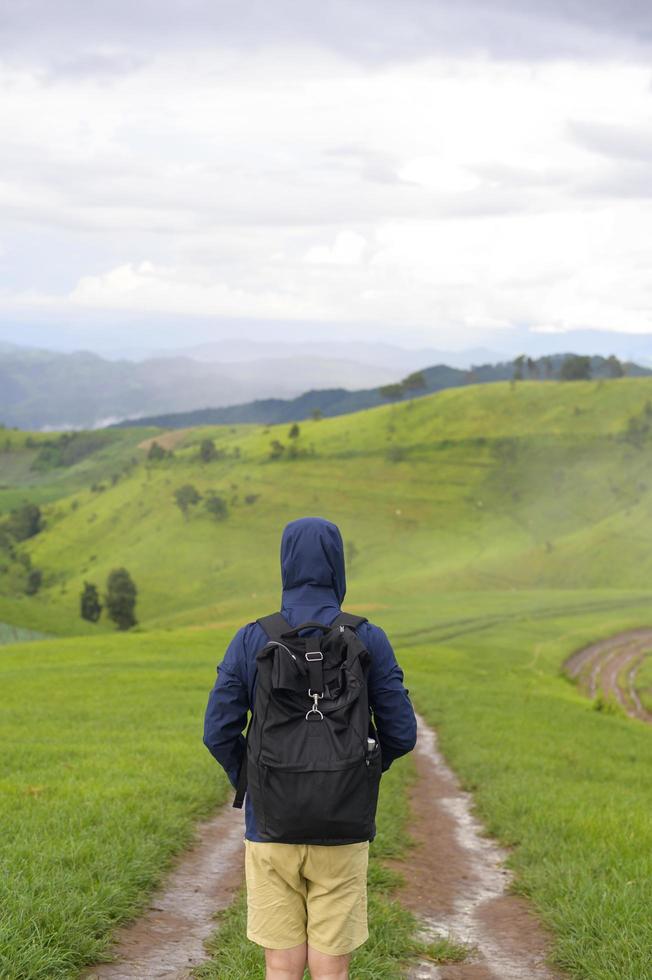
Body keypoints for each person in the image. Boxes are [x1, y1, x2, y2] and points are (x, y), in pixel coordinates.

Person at [203, 516, 417, 980]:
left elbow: (217, 730)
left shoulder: (251, 638)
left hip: (271, 824)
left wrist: (254, 777)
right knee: (332, 968)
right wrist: (355, 772)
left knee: (281, 965)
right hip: (342, 826)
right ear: (338, 567)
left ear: (284, 563)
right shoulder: (369, 638)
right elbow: (402, 733)